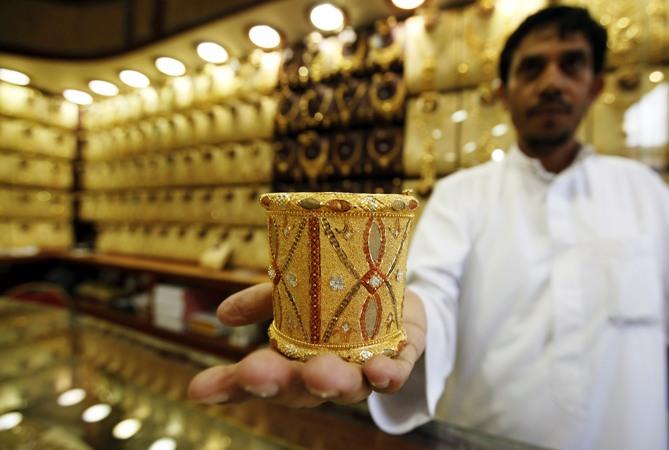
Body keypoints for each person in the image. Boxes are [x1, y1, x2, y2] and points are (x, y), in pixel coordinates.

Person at [188, 6, 669, 449]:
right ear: (501, 91)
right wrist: (392, 319)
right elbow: (429, 293)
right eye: (532, 67)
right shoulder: (461, 194)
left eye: (572, 65)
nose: (552, 82)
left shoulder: (647, 193)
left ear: (596, 86)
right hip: (485, 434)